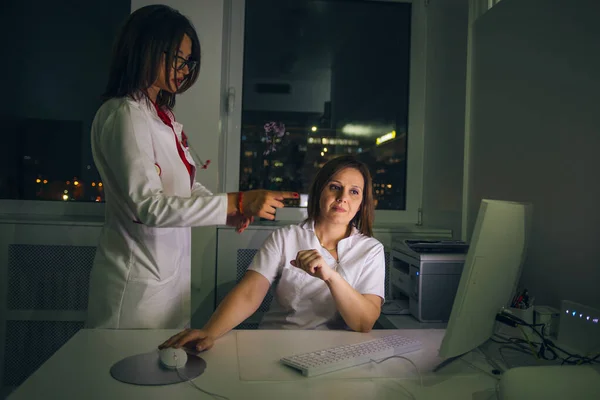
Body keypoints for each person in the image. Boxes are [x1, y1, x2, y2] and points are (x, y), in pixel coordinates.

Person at [86, 5, 297, 330]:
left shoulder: (162, 118)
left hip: (167, 277)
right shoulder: (124, 114)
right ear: (145, 47)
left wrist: (231, 208)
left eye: (189, 60)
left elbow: (184, 188)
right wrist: (236, 202)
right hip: (135, 285)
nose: (185, 68)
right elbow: (148, 207)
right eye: (178, 57)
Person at [159, 155, 385, 352]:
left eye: (354, 192)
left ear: (362, 203)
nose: (343, 197)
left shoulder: (371, 250)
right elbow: (249, 294)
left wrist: (330, 276)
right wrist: (209, 332)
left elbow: (363, 323)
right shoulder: (286, 237)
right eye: (335, 187)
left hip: (337, 352)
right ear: (320, 191)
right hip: (279, 343)